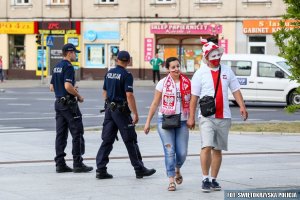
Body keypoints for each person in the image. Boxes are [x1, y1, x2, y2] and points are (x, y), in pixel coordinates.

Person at [187, 42, 248, 192]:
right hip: (207, 116)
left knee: (218, 149)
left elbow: (235, 90)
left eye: (218, 56)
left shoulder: (227, 71)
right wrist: (191, 117)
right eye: (213, 56)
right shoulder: (200, 73)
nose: (216, 59)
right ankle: (204, 178)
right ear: (206, 58)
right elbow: (194, 98)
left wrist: (242, 106)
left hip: (224, 116)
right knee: (206, 146)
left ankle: (213, 179)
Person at [96, 50, 156, 179]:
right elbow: (129, 95)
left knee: (107, 140)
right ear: (128, 61)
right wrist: (135, 113)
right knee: (130, 140)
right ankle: (139, 169)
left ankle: (100, 169)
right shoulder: (126, 75)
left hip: (109, 110)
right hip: (121, 112)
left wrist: (109, 105)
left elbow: (104, 93)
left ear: (117, 59)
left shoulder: (109, 73)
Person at [144, 57, 191, 191]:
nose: (176, 69)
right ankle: (171, 179)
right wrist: (147, 122)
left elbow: (193, 101)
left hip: (182, 121)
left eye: (178, 66)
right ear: (167, 69)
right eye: (173, 67)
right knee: (170, 151)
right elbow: (154, 103)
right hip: (165, 121)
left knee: (182, 152)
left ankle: (177, 169)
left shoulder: (187, 83)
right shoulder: (162, 83)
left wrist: (191, 117)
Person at [50, 43, 93, 173]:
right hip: (69, 105)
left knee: (61, 135)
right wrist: (78, 95)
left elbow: (51, 87)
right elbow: (68, 86)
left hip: (59, 103)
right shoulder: (68, 66)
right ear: (69, 53)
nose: (76, 55)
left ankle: (60, 164)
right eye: (75, 53)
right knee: (77, 132)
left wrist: (68, 90)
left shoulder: (57, 66)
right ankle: (77, 163)